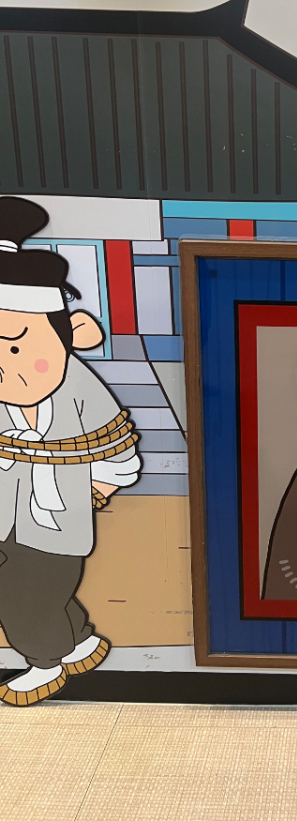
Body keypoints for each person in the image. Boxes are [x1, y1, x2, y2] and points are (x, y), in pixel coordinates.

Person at [0, 197, 141, 706]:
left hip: (59, 515)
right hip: (4, 507)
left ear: (74, 335)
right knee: (33, 586)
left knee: (25, 596)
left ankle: (45, 663)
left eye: (16, 345)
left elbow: (118, 452)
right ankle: (79, 640)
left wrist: (98, 490)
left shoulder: (83, 390)